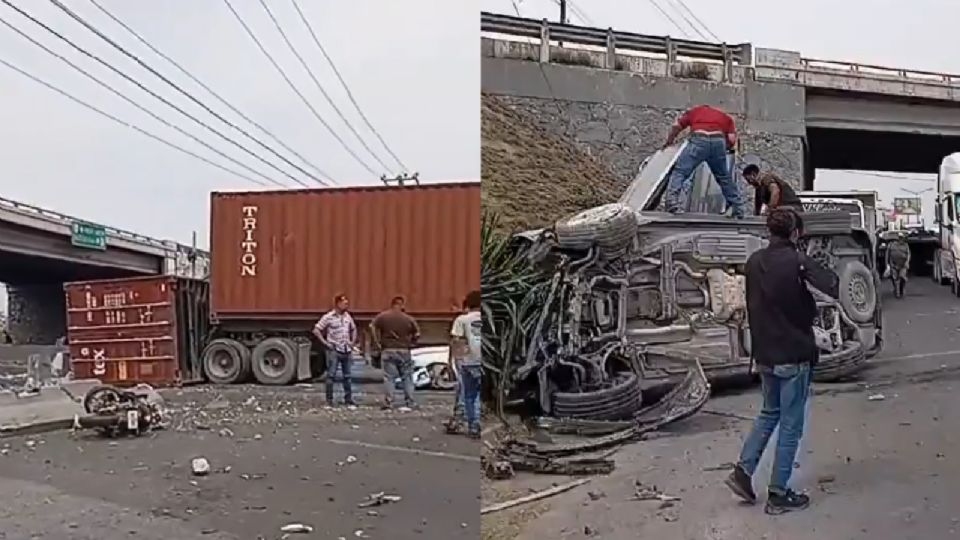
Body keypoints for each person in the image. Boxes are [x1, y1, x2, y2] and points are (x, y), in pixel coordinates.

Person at [724, 208, 839, 515]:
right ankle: (778, 493)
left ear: (769, 232)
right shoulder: (797, 261)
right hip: (794, 354)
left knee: (768, 413)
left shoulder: (753, 262)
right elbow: (832, 285)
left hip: (763, 354)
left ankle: (743, 472)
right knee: (791, 424)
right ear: (795, 233)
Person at [662, 104, 745, 217]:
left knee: (680, 171)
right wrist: (722, 149)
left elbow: (676, 126)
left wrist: (669, 141)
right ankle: (737, 208)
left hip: (699, 139)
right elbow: (731, 139)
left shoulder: (695, 112)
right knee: (724, 177)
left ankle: (672, 203)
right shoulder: (725, 117)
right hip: (718, 141)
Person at [371, 295, 420, 410]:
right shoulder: (408, 319)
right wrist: (412, 343)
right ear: (401, 304)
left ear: (392, 304)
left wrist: (377, 342)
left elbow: (372, 326)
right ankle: (410, 401)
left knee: (389, 377)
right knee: (407, 377)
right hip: (404, 350)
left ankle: (389, 402)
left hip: (388, 350)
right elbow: (417, 334)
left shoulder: (383, 316)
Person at [313, 294, 358, 407]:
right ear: (338, 304)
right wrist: (325, 343)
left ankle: (348, 399)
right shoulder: (329, 317)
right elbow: (316, 330)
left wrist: (352, 342)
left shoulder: (347, 316)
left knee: (347, 376)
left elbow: (353, 328)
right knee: (331, 376)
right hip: (334, 350)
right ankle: (329, 400)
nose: (346, 305)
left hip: (346, 350)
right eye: (344, 303)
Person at [450, 290, 482, 439]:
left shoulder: (462, 320)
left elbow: (456, 341)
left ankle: (473, 425)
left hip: (469, 361)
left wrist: (455, 360)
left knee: (469, 394)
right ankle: (479, 422)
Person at [885, 232, 911, 297]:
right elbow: (887, 255)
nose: (901, 240)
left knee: (902, 277)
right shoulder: (891, 245)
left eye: (902, 238)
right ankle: (896, 291)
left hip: (903, 264)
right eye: (900, 238)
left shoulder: (906, 245)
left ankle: (901, 289)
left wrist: (907, 262)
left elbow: (908, 254)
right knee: (894, 278)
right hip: (893, 264)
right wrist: (887, 264)